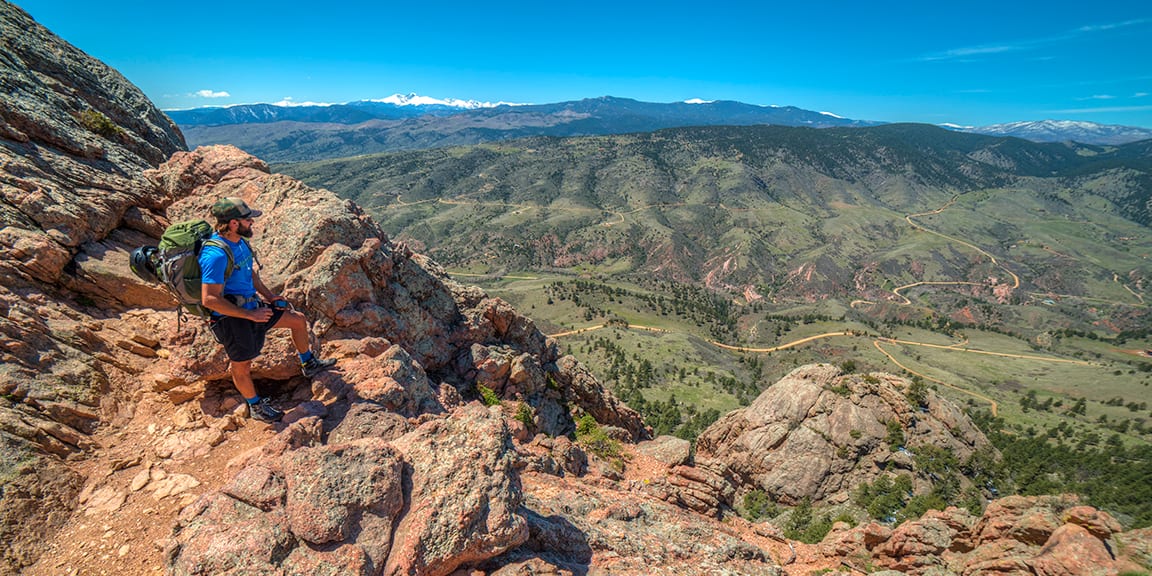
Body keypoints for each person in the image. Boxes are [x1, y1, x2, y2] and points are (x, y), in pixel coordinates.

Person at [200, 197, 336, 422]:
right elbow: (209, 299)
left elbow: (248, 273)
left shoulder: (240, 243)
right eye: (248, 220)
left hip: (252, 306)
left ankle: (308, 363)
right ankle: (255, 406)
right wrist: (249, 315)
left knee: (297, 319)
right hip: (233, 318)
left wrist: (269, 296)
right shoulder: (215, 255)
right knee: (242, 365)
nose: (252, 223)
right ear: (234, 223)